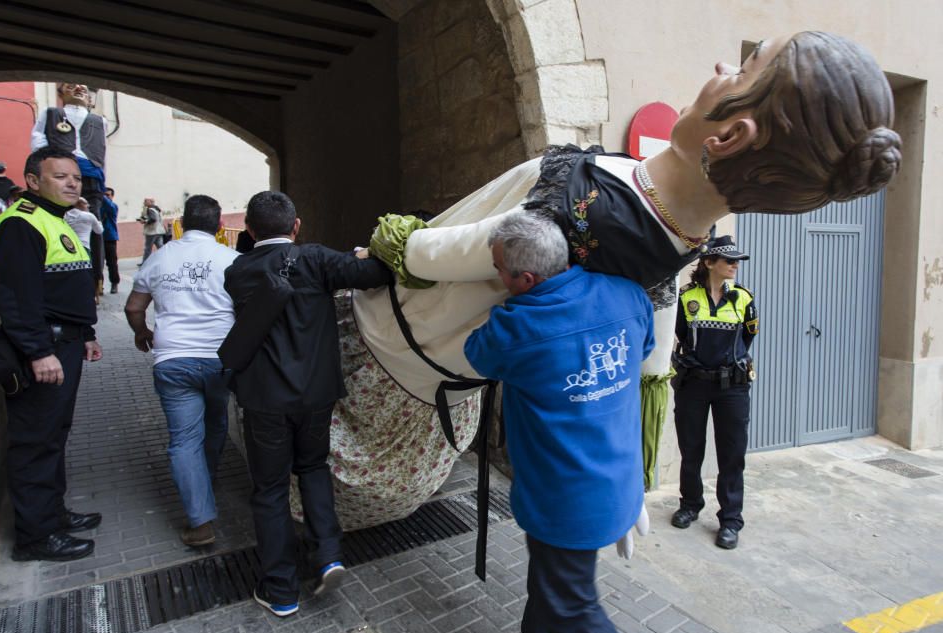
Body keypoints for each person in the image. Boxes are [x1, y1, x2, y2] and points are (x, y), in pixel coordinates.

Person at [336, 31, 901, 522]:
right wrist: (630, 480)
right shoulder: (674, 244)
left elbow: (455, 251)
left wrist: (394, 244)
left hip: (387, 335)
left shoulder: (576, 195)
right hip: (439, 378)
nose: (722, 70)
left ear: (730, 138)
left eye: (744, 70)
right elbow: (647, 361)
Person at [465, 213, 651, 633]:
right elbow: (642, 350)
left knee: (572, 607)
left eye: (499, 272)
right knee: (552, 582)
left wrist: (504, 311)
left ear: (525, 279)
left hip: (566, 502)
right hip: (618, 482)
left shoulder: (516, 329)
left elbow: (476, 353)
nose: (497, 278)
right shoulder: (628, 295)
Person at [223, 191, 392, 618]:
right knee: (314, 469)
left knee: (271, 491)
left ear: (248, 230)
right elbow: (377, 273)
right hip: (316, 396)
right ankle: (329, 555)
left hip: (264, 401)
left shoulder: (237, 271)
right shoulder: (315, 259)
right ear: (296, 226)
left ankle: (280, 590)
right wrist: (360, 253)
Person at [0, 147, 103, 562]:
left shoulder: (55, 222)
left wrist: (84, 333)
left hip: (64, 343)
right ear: (33, 181)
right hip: (44, 349)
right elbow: (17, 298)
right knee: (35, 440)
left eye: (75, 177)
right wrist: (37, 351)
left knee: (54, 434)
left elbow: (64, 288)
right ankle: (35, 537)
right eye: (60, 177)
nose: (73, 183)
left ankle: (52, 513)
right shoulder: (20, 226)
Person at [124, 195, 239, 547]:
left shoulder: (159, 258)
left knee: (184, 439)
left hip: (173, 360)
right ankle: (207, 475)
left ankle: (200, 521)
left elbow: (133, 307)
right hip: (222, 359)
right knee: (217, 419)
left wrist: (142, 332)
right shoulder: (232, 259)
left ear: (181, 224)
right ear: (220, 226)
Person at [670, 236, 757, 550]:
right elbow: (678, 335)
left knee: (732, 455)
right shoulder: (686, 297)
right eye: (729, 260)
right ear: (709, 263)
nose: (735, 265)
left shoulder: (744, 299)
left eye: (737, 261)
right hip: (693, 385)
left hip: (732, 388)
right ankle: (690, 504)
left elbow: (748, 339)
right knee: (691, 449)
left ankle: (731, 520)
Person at [30, 82, 108, 219]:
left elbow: (102, 149)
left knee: (92, 214)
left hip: (91, 174)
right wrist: (46, 162)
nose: (78, 89)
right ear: (61, 94)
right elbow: (38, 139)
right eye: (71, 87)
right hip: (60, 170)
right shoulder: (51, 113)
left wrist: (102, 176)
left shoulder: (100, 121)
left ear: (89, 98)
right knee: (59, 209)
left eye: (83, 89)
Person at [101, 187, 120, 294]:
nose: (105, 197)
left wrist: (100, 195)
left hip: (110, 237)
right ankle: (100, 285)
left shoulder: (113, 206)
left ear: (112, 196)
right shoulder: (98, 206)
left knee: (112, 263)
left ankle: (114, 283)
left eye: (108, 195)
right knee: (98, 263)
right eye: (104, 194)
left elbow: (109, 205)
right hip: (98, 237)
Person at [139, 197, 165, 263]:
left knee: (148, 248)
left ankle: (145, 263)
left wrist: (144, 221)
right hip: (159, 231)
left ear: (150, 202)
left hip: (152, 232)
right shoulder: (157, 209)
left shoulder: (150, 209)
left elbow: (153, 219)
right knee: (160, 247)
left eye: (145, 201)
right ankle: (165, 259)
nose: (144, 202)